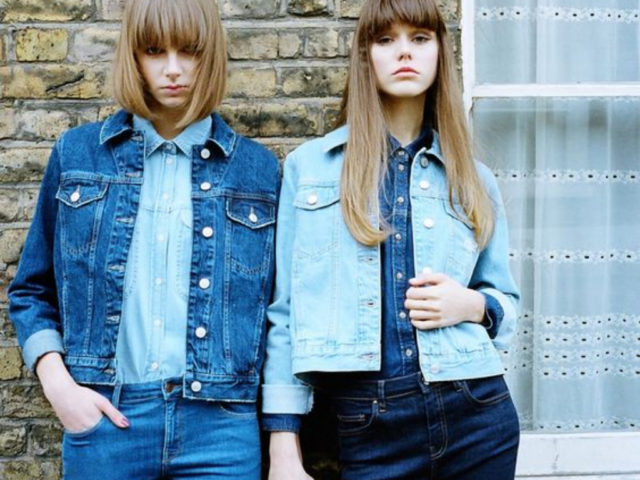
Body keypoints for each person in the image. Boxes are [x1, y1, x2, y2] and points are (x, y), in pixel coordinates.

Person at [8, 0, 279, 478]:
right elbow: (31, 289)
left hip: (220, 429)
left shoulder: (256, 170)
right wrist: (60, 387)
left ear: (210, 55)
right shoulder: (78, 156)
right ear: (133, 56)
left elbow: (279, 312)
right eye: (155, 51)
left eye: (189, 51)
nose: (173, 69)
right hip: (106, 418)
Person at [262, 0, 521, 478]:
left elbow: (505, 300)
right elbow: (286, 312)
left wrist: (471, 305)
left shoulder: (474, 178)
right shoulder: (310, 169)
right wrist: (283, 442)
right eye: (386, 40)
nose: (405, 52)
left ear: (440, 51)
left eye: (419, 39)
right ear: (366, 55)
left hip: (477, 414)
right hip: (369, 424)